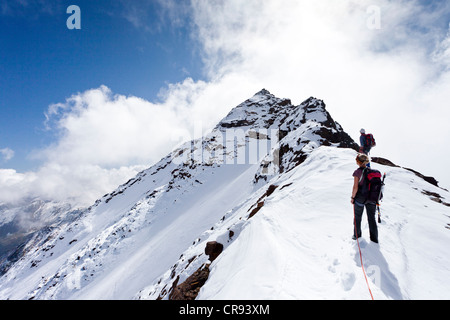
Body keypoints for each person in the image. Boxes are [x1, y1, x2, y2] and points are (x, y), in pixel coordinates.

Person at [351, 153, 378, 243]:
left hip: (360, 198)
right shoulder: (371, 171)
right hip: (372, 198)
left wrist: (352, 197)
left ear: (359, 161)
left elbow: (355, 187)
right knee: (371, 218)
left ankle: (357, 236)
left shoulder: (358, 172)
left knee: (357, 218)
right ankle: (374, 239)